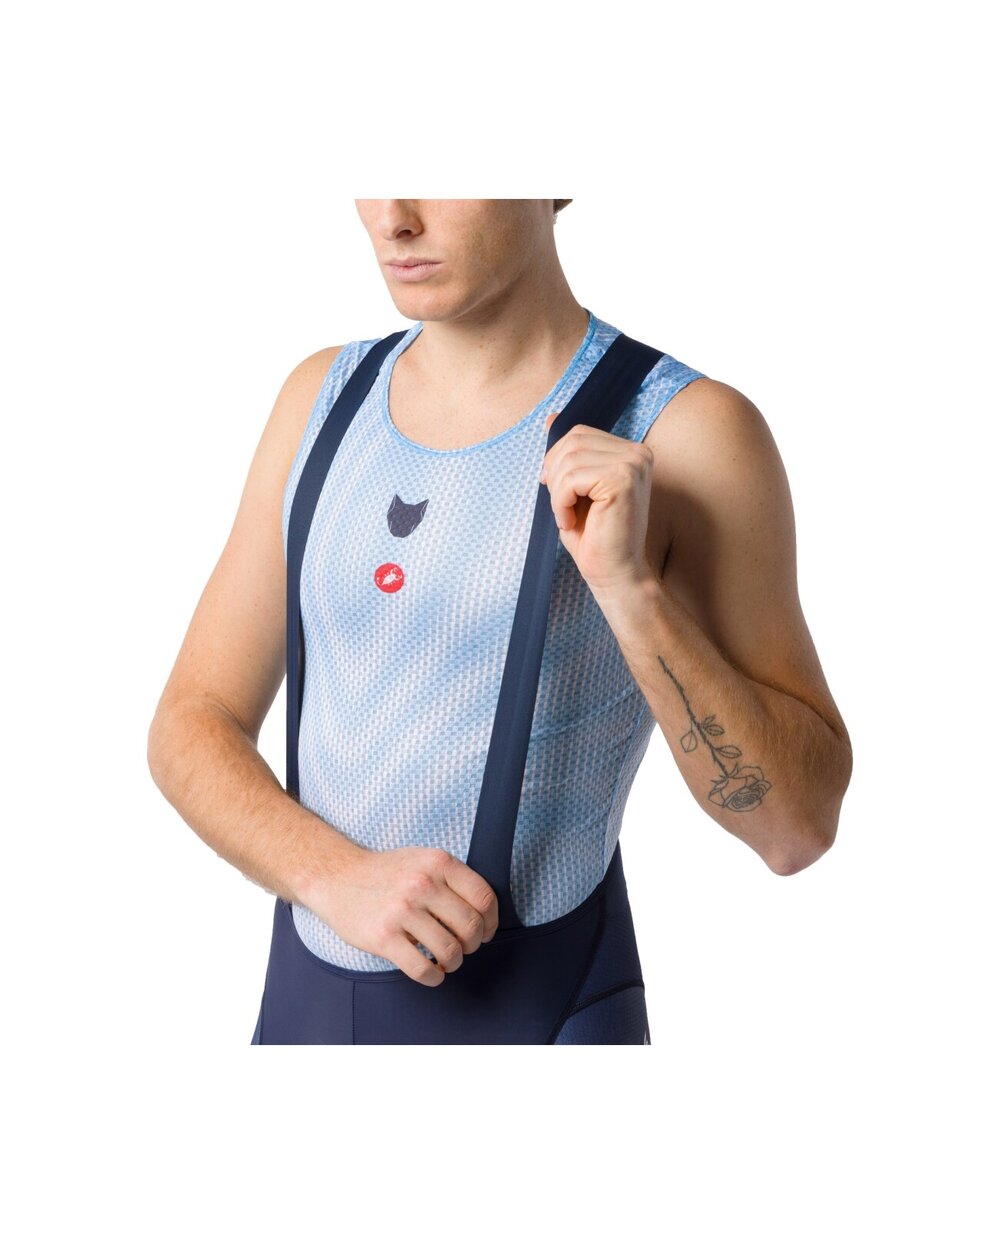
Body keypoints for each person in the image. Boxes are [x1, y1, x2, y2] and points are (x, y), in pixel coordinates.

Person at [147, 199, 853, 1045]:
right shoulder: (322, 399)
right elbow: (191, 720)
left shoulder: (684, 431)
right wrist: (332, 876)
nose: (394, 218)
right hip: (303, 1015)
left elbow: (794, 829)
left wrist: (630, 592)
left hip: (547, 1017)